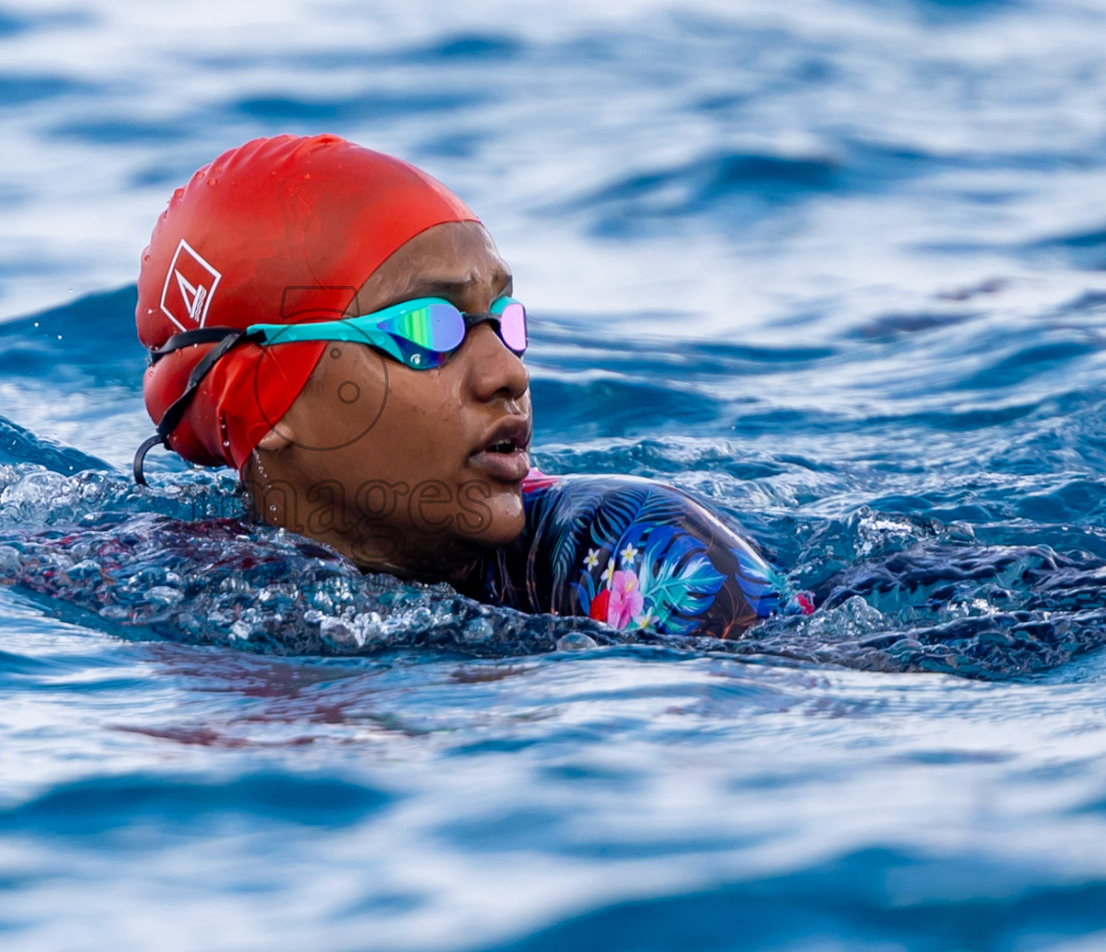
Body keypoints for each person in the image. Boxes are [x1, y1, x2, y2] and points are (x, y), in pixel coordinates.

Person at [134, 134, 806, 638]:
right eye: (429, 328)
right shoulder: (168, 574)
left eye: (504, 320)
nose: (508, 374)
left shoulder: (643, 551)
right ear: (261, 398)